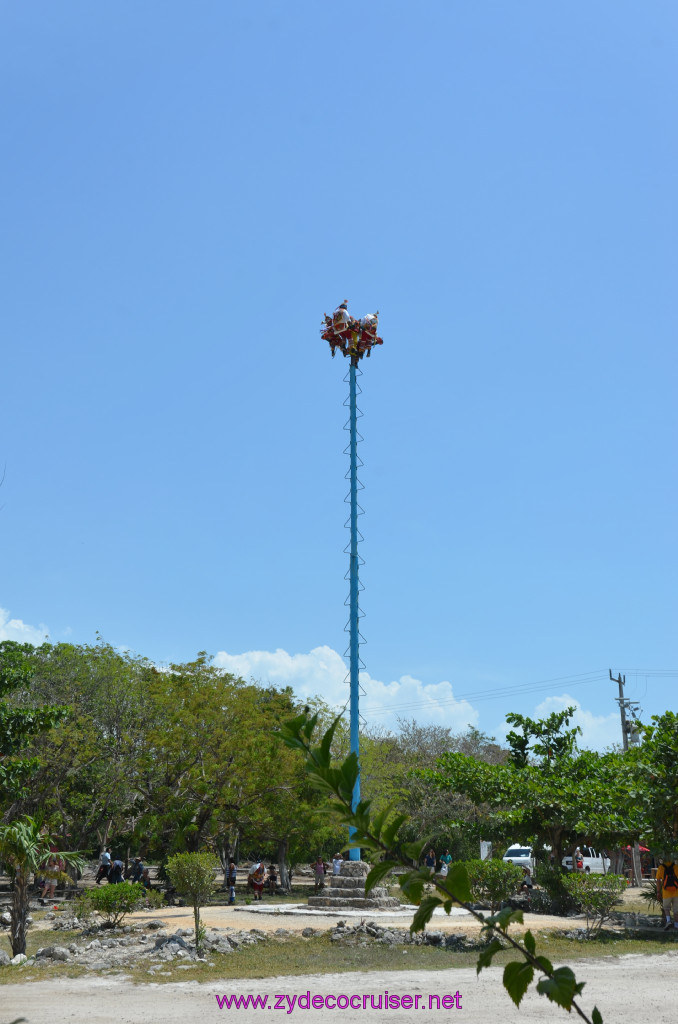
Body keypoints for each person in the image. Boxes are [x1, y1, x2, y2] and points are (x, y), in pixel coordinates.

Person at [656, 855, 678, 931]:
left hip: (666, 892)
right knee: (676, 910)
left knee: (666, 908)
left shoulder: (661, 867)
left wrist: (658, 892)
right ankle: (676, 925)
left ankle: (668, 921)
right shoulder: (676, 867)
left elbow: (658, 881)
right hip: (676, 892)